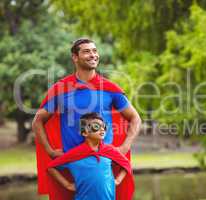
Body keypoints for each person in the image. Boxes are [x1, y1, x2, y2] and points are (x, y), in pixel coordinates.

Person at [32, 38, 141, 200]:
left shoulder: (110, 88)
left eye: (95, 51)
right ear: (74, 57)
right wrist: (50, 150)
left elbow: (135, 118)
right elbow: (38, 121)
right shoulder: (60, 89)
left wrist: (125, 147)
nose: (93, 55)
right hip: (71, 166)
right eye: (87, 51)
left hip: (103, 165)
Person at [47, 112, 134, 200]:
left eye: (104, 127)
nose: (102, 129)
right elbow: (51, 167)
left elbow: (126, 164)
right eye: (96, 126)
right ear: (85, 133)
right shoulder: (74, 153)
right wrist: (68, 185)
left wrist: (118, 180)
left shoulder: (109, 150)